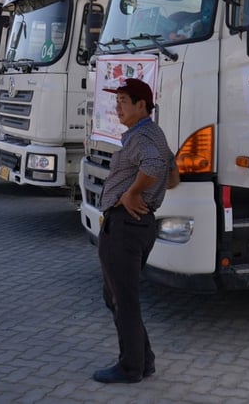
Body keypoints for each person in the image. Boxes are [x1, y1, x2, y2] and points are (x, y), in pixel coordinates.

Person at [93, 78, 176, 384]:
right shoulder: (153, 133)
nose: (118, 107)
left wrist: (132, 193)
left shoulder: (142, 137)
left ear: (142, 105)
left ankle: (131, 367)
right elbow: (172, 174)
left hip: (126, 225)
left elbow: (155, 165)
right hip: (136, 226)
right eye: (117, 101)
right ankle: (144, 359)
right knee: (117, 295)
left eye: (124, 101)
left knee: (122, 299)